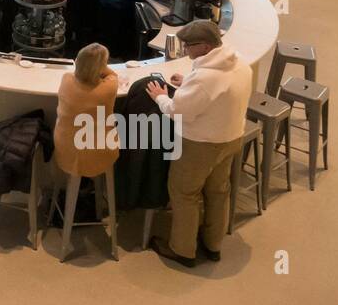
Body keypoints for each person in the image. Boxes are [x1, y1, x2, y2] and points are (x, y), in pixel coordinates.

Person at [145, 19, 252, 267]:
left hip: (201, 145)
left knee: (185, 193)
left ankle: (183, 250)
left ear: (204, 47)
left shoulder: (204, 79)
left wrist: (161, 97)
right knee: (218, 191)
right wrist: (188, 83)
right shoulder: (239, 64)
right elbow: (216, 95)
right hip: (232, 137)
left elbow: (177, 111)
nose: (186, 51)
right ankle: (213, 245)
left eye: (189, 46)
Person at [52, 42, 119, 179]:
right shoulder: (109, 87)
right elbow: (113, 75)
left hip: (65, 150)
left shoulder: (66, 79)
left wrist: (86, 64)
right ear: (101, 67)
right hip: (99, 154)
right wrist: (101, 65)